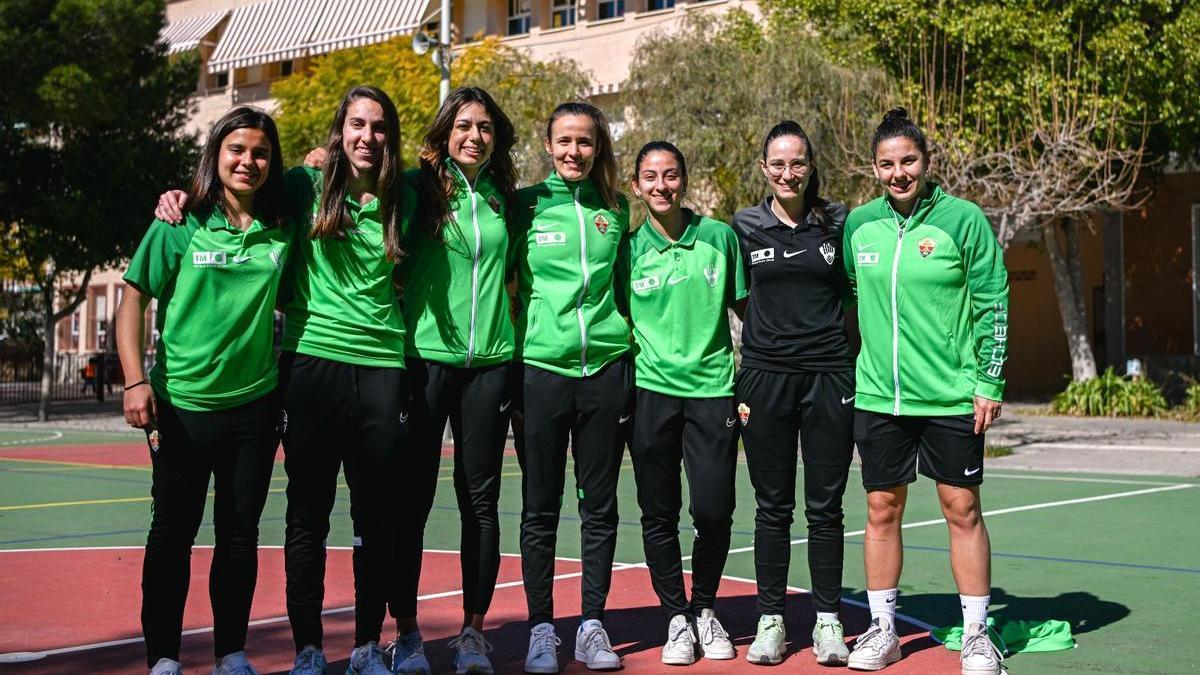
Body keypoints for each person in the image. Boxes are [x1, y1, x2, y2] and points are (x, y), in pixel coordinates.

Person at [155, 86, 413, 675]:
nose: (366, 136)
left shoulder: (407, 194)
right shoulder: (302, 185)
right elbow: (238, 186)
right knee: (307, 517)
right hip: (310, 365)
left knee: (377, 518)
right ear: (339, 129)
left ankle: (369, 647)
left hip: (382, 369)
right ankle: (309, 650)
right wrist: (181, 195)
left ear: (388, 136)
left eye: (377, 126)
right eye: (355, 124)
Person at [118, 106, 293, 675]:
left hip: (253, 407)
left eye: (261, 152)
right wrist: (136, 381)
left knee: (239, 537)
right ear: (216, 155)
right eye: (237, 150)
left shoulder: (283, 223)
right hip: (180, 408)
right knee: (171, 535)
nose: (248, 161)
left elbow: (320, 170)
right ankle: (164, 657)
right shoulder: (178, 223)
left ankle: (231, 654)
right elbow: (132, 303)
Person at [842, 107, 1008, 675]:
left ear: (926, 162)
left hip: (951, 396)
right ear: (874, 168)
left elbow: (993, 301)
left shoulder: (963, 220)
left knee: (961, 508)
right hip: (879, 398)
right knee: (881, 508)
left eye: (908, 160)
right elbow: (848, 297)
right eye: (887, 164)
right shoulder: (859, 224)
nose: (898, 172)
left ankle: (978, 636)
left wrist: (989, 381)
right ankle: (882, 630)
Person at [386, 86, 520, 675]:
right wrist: (318, 158)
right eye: (464, 125)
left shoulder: (507, 201)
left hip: (491, 365)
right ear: (444, 133)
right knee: (410, 503)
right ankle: (409, 634)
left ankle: (472, 634)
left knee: (480, 503)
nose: (475, 136)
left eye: (485, 127)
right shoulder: (415, 190)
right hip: (426, 362)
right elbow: (353, 182)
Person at [615, 141, 746, 666]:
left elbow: (750, 313)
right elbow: (617, 317)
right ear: (637, 185)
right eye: (650, 177)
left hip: (713, 391)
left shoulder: (719, 237)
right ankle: (676, 616)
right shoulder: (627, 250)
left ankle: (705, 608)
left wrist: (752, 383)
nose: (661, 186)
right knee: (658, 511)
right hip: (650, 394)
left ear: (684, 180)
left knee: (714, 509)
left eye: (670, 175)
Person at [511, 102, 631, 674]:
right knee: (540, 507)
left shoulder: (616, 209)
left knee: (599, 506)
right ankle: (541, 628)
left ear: (599, 146)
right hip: (542, 371)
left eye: (584, 142)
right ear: (548, 144)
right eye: (563, 141)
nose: (573, 152)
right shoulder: (526, 206)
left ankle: (591, 624)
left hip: (605, 372)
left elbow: (627, 291)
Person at [731, 121, 856, 666]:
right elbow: (737, 298)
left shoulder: (839, 223)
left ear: (810, 166)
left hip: (830, 375)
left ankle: (828, 620)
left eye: (797, 162)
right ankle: (771, 620)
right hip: (765, 378)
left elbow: (857, 292)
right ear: (764, 168)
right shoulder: (744, 226)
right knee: (771, 506)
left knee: (826, 507)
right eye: (778, 163)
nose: (788, 172)